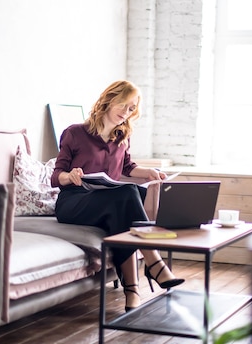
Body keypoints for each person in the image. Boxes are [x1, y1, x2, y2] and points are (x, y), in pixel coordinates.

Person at [51, 80, 184, 312]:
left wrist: (149, 173)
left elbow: (127, 167)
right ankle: (154, 264)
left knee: (124, 207)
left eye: (132, 109)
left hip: (107, 202)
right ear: (108, 100)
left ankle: (132, 290)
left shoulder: (122, 135)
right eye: (123, 105)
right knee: (128, 193)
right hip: (73, 202)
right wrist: (70, 175)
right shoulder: (74, 133)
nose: (126, 113)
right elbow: (55, 177)